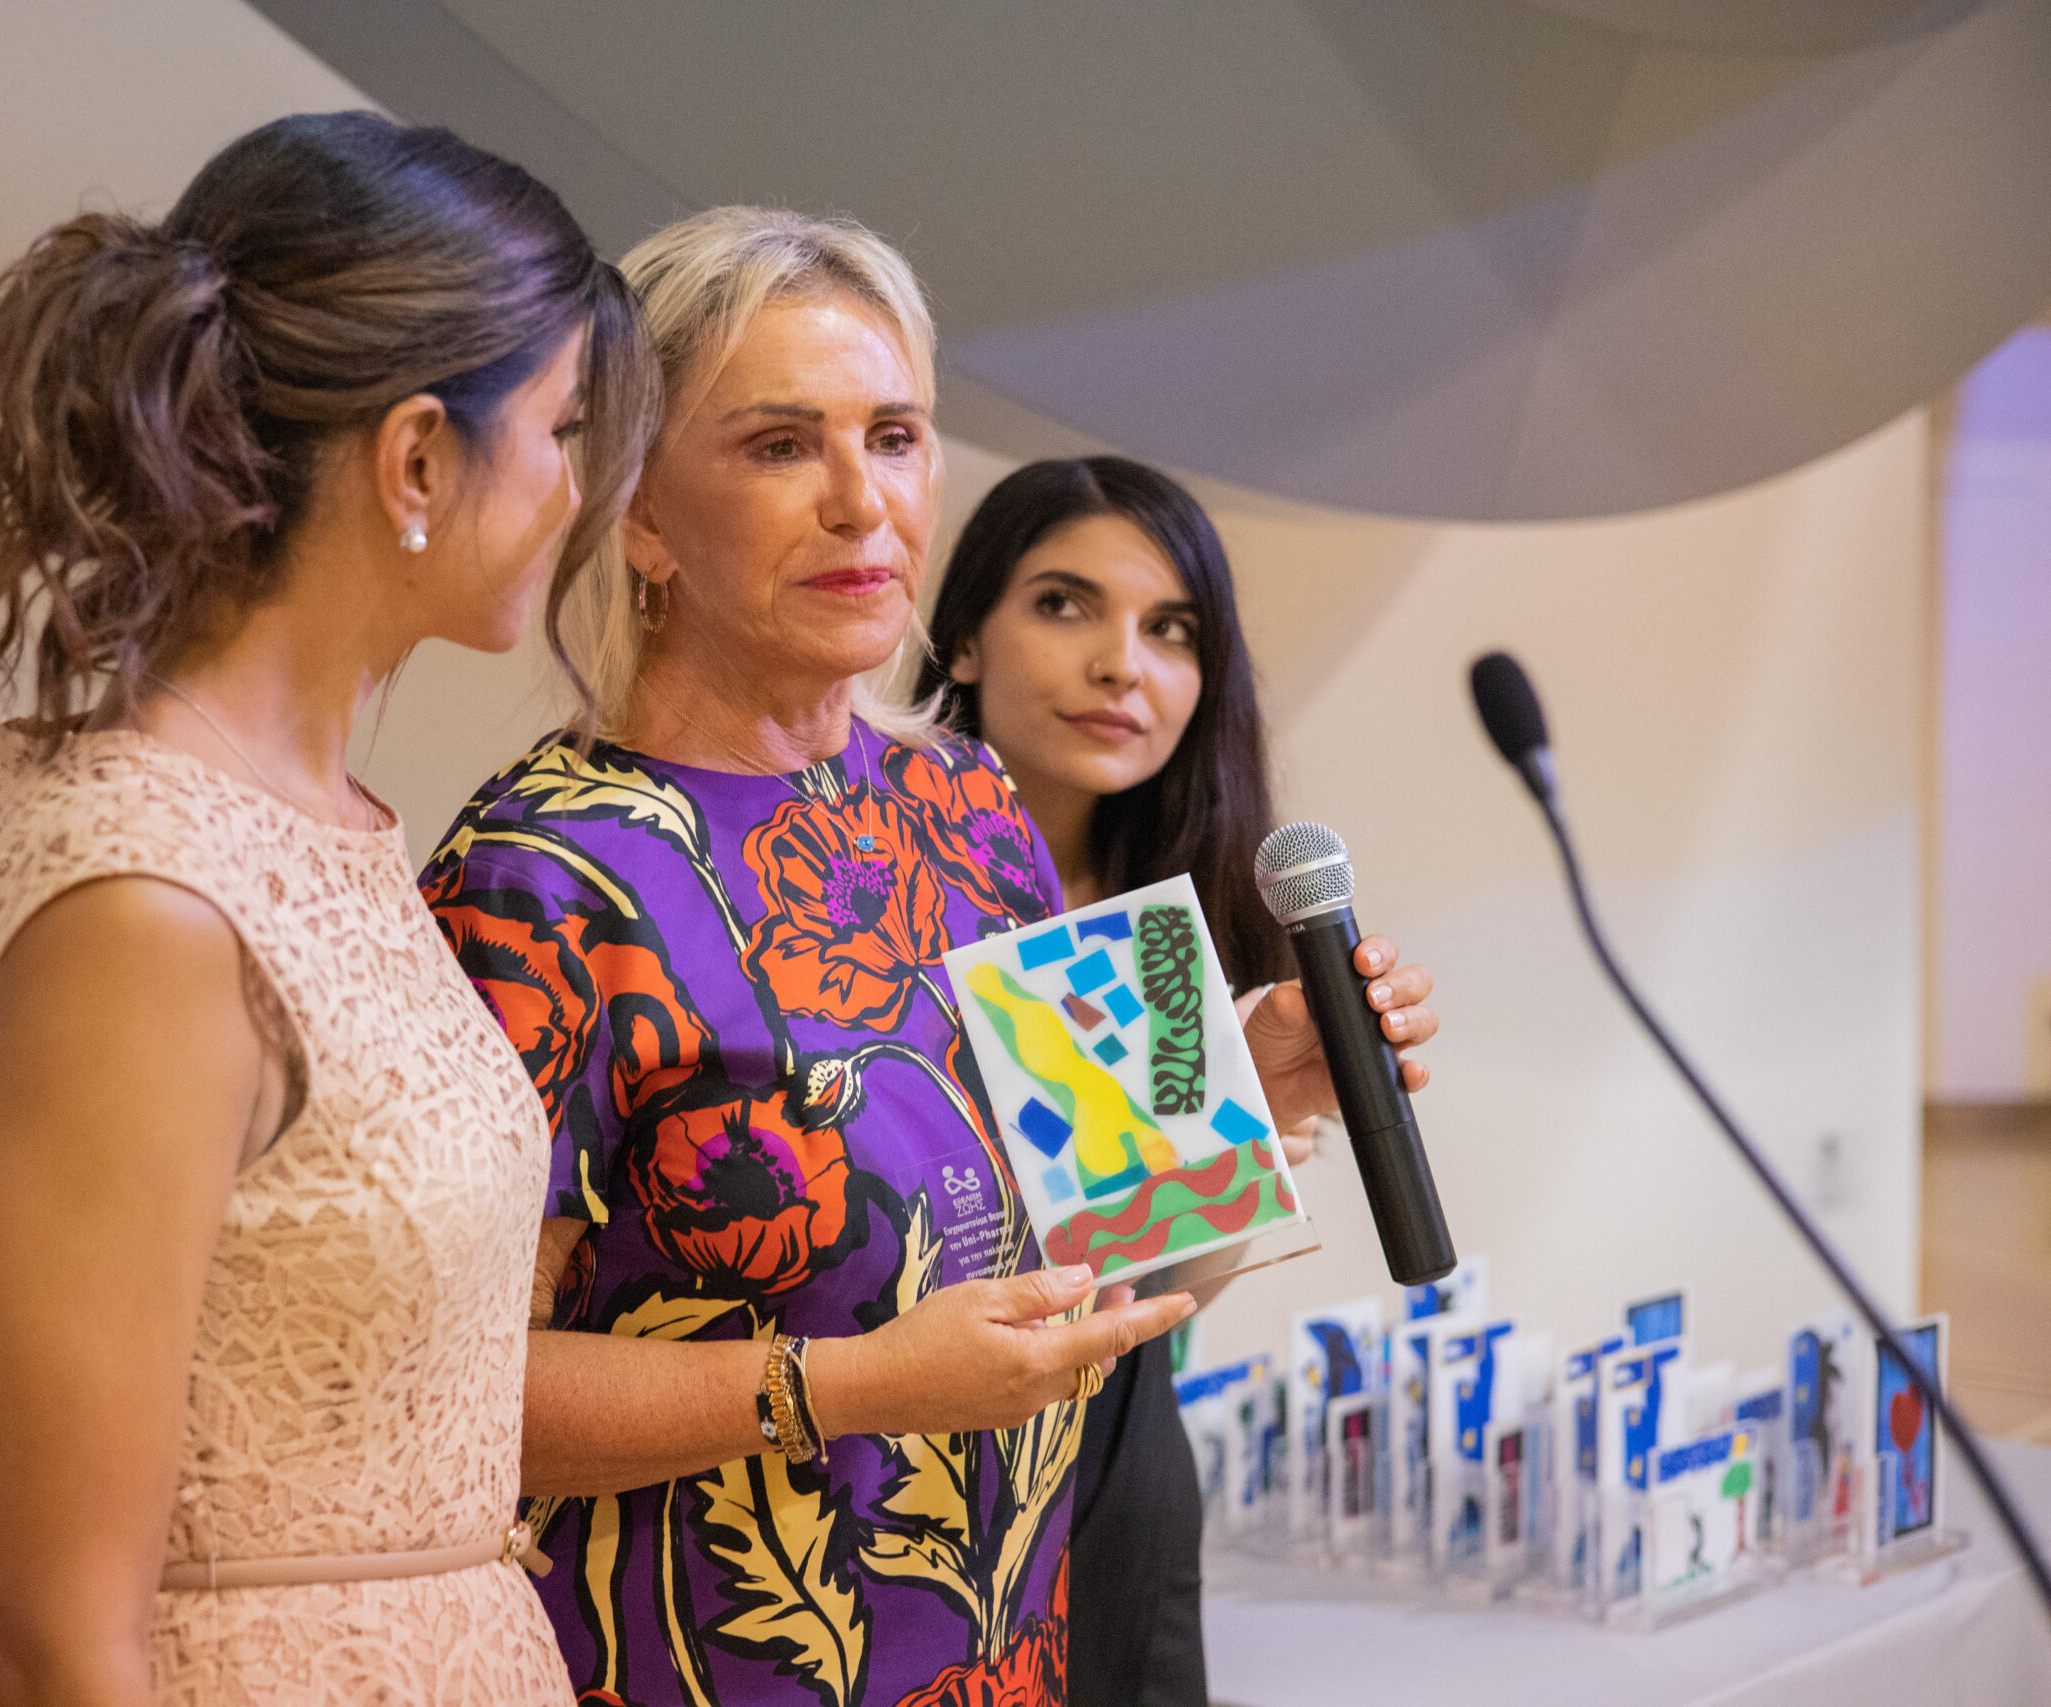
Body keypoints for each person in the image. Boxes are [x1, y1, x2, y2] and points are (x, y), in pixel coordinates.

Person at [423, 208, 1366, 1707]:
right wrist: (849, 1386)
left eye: (897, 437)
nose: (862, 502)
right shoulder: (537, 873)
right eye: (780, 445)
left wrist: (1245, 1083)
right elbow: (442, 1397)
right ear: (642, 514)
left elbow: (1107, 1240)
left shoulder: (970, 798)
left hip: (1012, 1660)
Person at [0, 112, 653, 1706]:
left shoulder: (326, 819)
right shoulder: (148, 899)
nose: (580, 489)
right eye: (562, 429)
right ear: (417, 458)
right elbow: (47, 1637)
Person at [917, 456, 1440, 1705]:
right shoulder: (858, 896)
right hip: (897, 1469)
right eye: (1063, 605)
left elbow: (1156, 1290)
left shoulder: (1162, 934)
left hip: (1114, 1462)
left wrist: (1259, 1115)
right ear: (964, 639)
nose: (1122, 666)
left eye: (1171, 630)